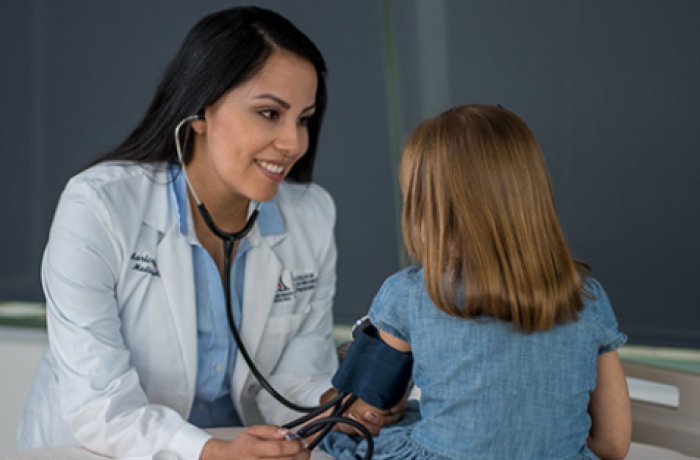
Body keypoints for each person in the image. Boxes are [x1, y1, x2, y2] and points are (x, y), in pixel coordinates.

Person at [17, 6, 397, 460]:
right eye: (269, 113)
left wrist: (336, 402)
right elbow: (100, 404)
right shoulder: (98, 207)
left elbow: (291, 378)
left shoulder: (311, 215)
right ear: (200, 110)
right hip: (92, 451)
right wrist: (211, 451)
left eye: (304, 118)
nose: (294, 143)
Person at [322, 104, 632, 460]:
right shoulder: (586, 298)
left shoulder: (408, 294)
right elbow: (612, 444)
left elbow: (370, 408)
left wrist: (344, 397)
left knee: (346, 438)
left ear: (424, 210)